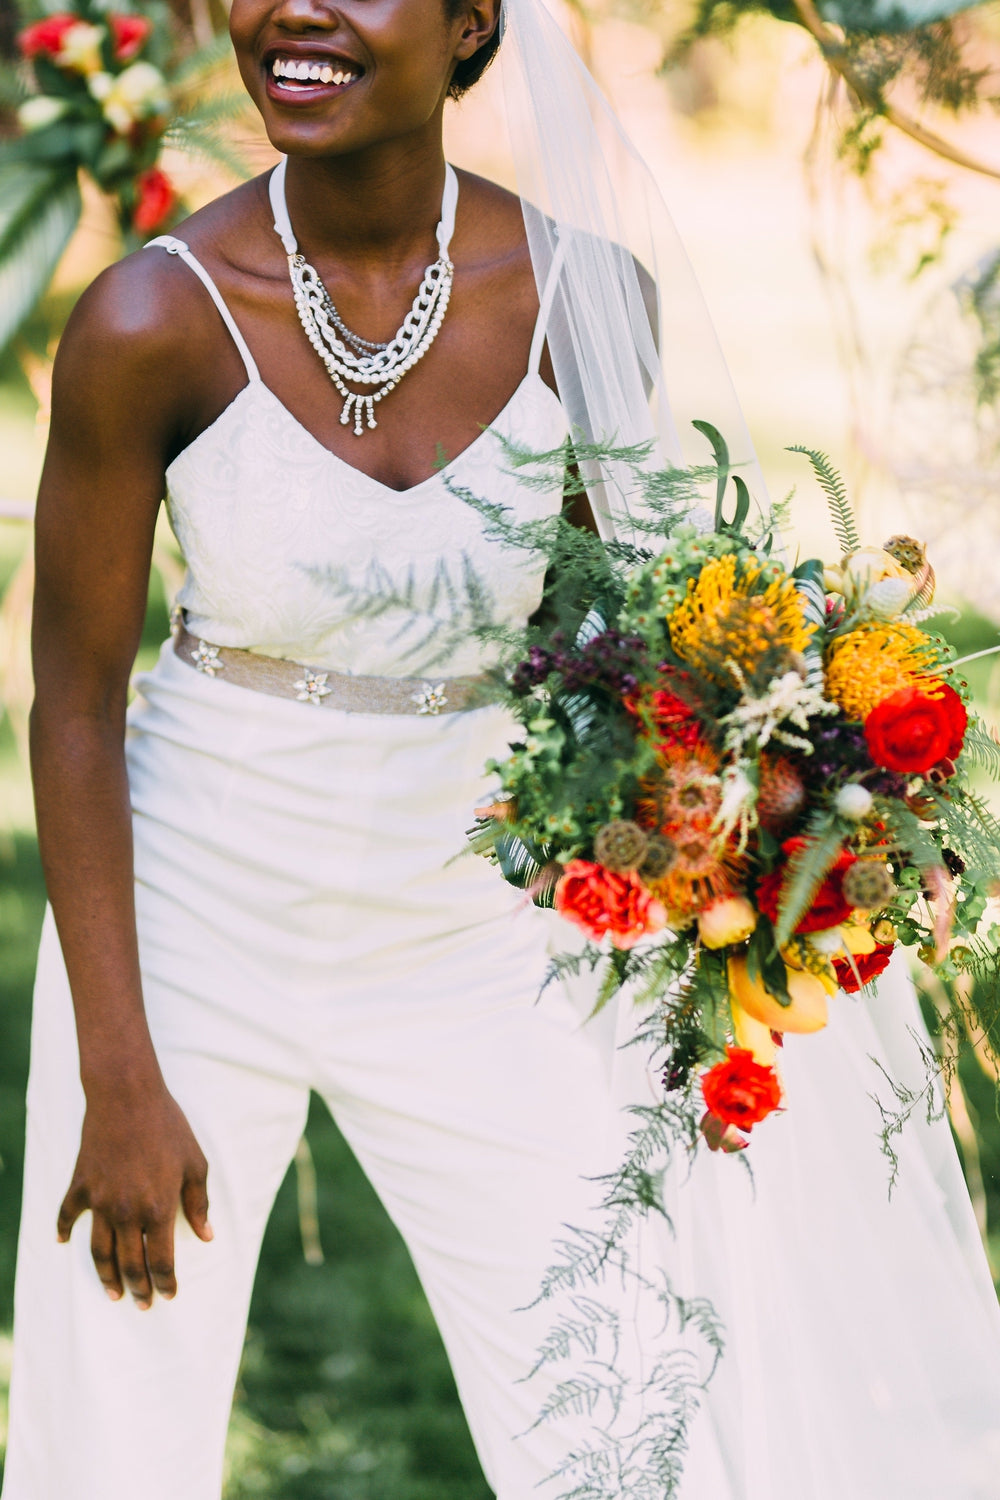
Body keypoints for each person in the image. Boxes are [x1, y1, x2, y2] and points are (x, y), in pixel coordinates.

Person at [5, 0, 1000, 1494]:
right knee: (113, 1429)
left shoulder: (583, 299)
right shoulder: (149, 318)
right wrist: (119, 1077)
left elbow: (628, 666)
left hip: (474, 928)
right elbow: (71, 705)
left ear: (474, 23)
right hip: (188, 917)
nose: (298, 9)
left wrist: (758, 827)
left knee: (610, 1414)